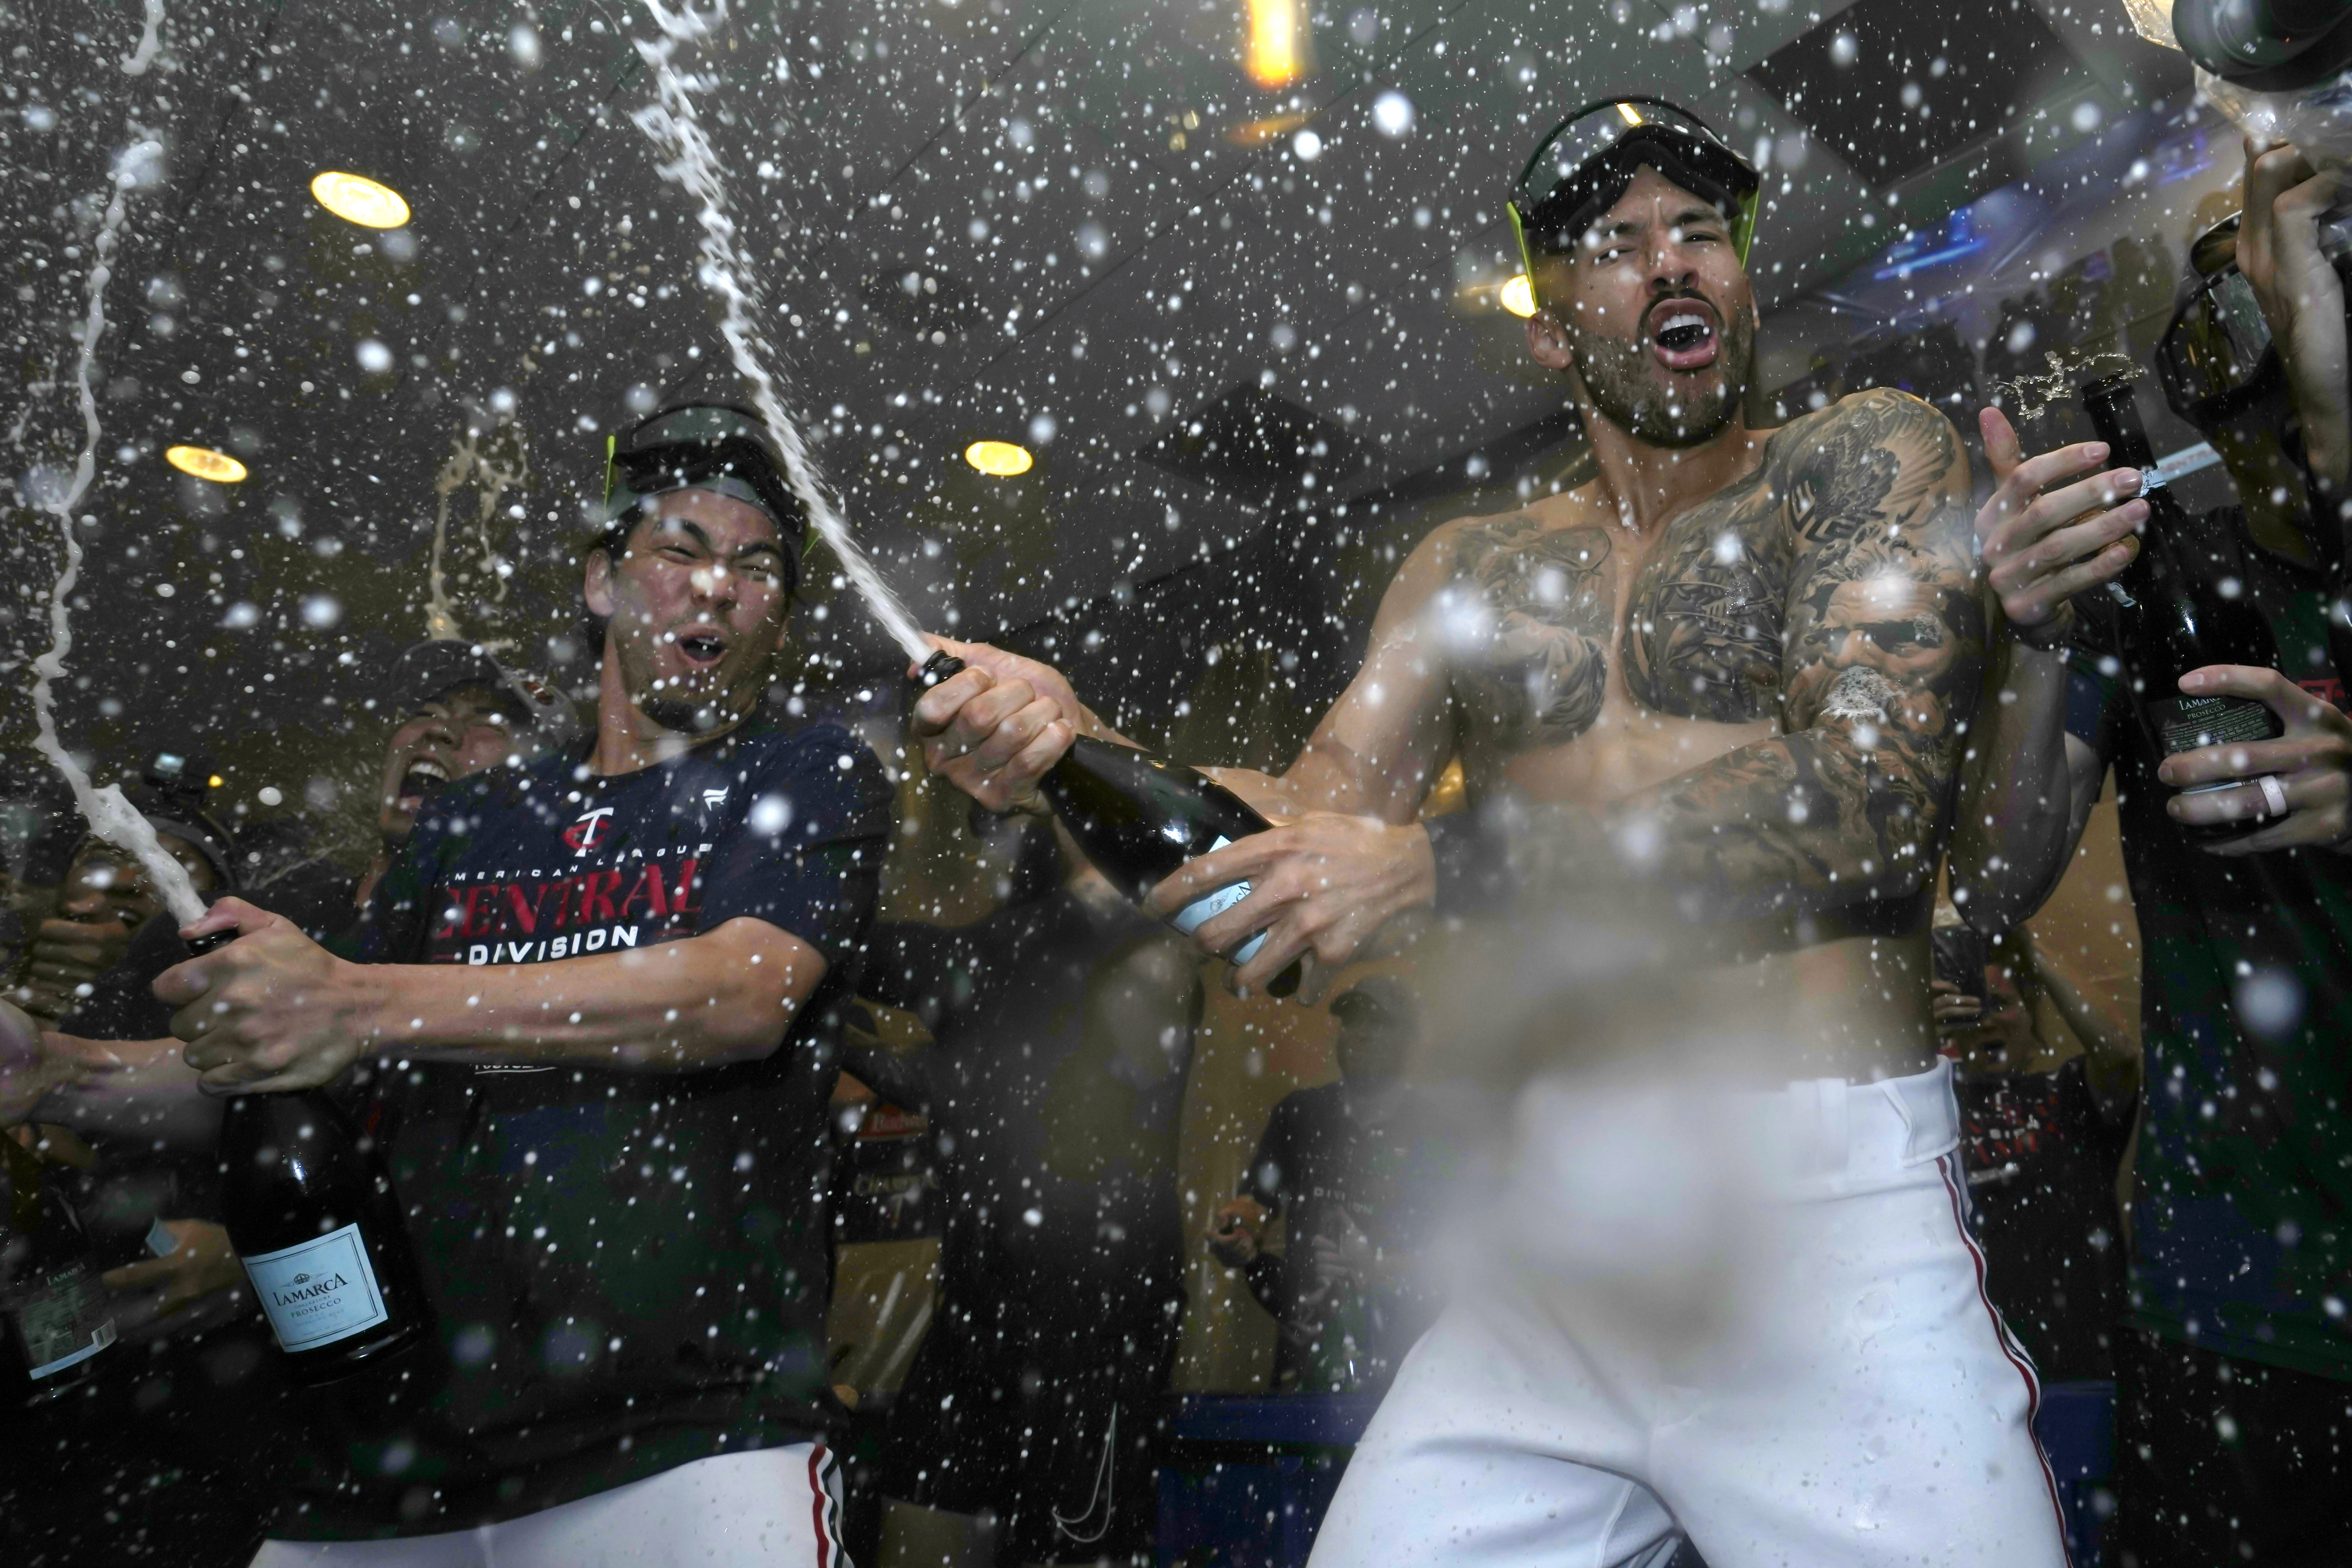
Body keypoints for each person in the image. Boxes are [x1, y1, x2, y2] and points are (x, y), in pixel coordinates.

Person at [914, 98, 2068, 1566]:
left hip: (1814, 1202)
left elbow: (1867, 797)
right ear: (1546, 325)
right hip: (1553, 1217)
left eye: (1698, 233)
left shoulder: (1856, 463)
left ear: (1739, 281)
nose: (1668, 265)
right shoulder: (1466, 570)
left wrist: (1444, 869)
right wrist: (1071, 749)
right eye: (1614, 244)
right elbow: (1309, 832)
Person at [3, 401, 895, 1565]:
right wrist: (58, 1070)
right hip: (386, 1468)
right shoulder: (475, 823)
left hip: (690, 1445)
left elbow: (738, 995)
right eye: (677, 550)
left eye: (755, 564)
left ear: (775, 614)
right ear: (600, 584)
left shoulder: (803, 770)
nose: (715, 587)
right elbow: (304, 1055)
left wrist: (358, 1001)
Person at [1953, 135, 2352, 1566]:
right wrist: (2041, 635)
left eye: (2312, 252)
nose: (2278, 297)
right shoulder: (2164, 585)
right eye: (2229, 272)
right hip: (2230, 1304)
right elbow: (1993, 878)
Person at [852, 809, 1201, 1568]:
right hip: (979, 1306)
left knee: (1071, 1547)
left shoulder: (1150, 947)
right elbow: (967, 1071)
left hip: (1096, 1320)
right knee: (921, 1515)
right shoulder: (997, 945)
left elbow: (1044, 1089)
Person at [1208, 977, 1447, 1396]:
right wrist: (1239, 1231)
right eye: (1352, 1021)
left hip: (1405, 1364)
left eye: (1379, 1023)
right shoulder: (1300, 1115)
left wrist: (1379, 1269)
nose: (1361, 1034)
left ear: (1406, 1041)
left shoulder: (1436, 1130)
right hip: (1305, 1356)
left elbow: (1462, 1261)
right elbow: (1255, 1205)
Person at [1931, 914, 2139, 1383]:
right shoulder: (1928, 1111)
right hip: (1972, 1374)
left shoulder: (2069, 1093)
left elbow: (2121, 1052)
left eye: (2002, 1004)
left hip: (2081, 1364)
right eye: (1976, 1006)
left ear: (2033, 1018)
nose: (1988, 1019)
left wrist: (2032, 952)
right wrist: (1914, 1037)